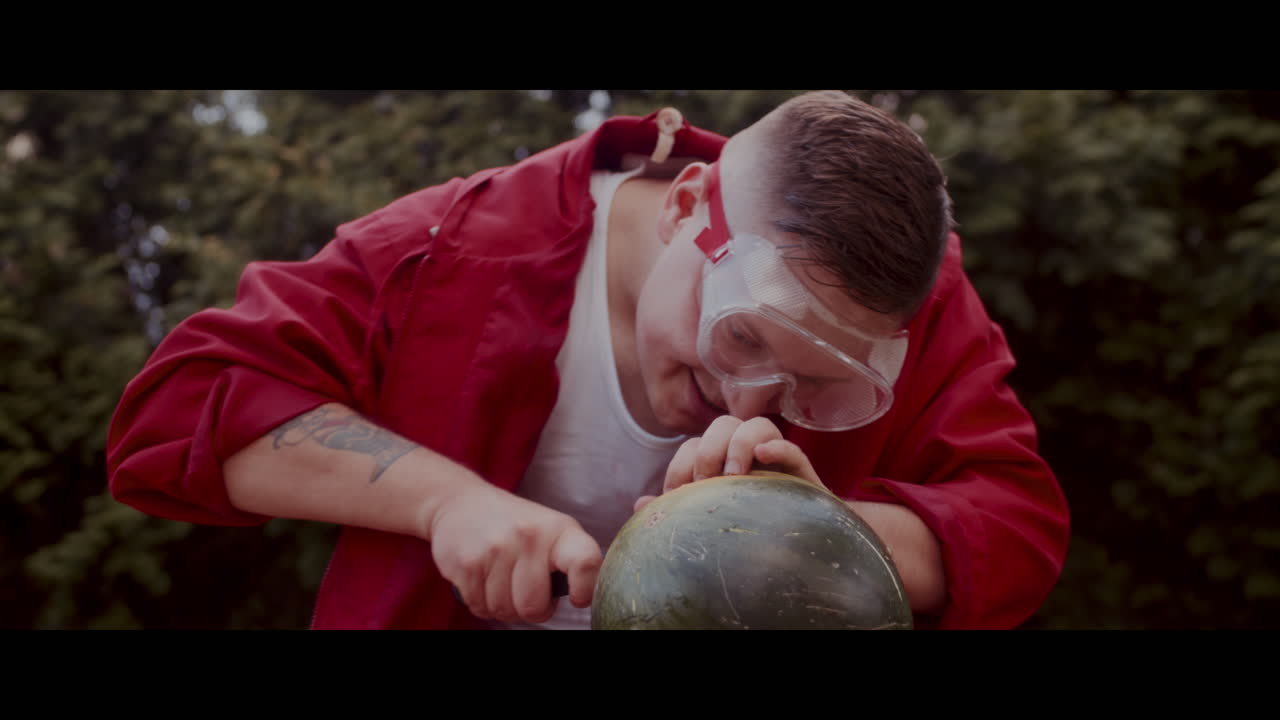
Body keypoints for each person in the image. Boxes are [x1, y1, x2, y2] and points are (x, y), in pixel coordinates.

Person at [107, 91, 1070, 630]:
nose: (749, 398)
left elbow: (1015, 523)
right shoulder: (459, 243)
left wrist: (806, 527)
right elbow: (182, 408)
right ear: (691, 207)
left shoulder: (909, 295)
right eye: (738, 335)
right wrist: (449, 502)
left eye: (817, 386)